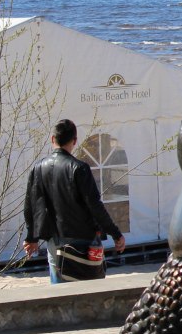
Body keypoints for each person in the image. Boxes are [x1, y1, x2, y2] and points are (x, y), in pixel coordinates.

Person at [23, 119, 125, 283]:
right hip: (84, 241)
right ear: (74, 141)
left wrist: (31, 238)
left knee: (60, 295)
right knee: (90, 292)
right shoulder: (79, 168)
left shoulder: (38, 168)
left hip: (56, 241)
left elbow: (30, 206)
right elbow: (95, 206)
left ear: (52, 139)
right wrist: (115, 233)